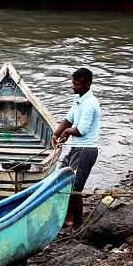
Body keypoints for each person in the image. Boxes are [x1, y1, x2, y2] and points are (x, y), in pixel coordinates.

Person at [50, 68, 100, 229]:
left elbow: (81, 130)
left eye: (77, 84)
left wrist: (65, 132)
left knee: (75, 188)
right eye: (73, 83)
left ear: (88, 84)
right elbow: (68, 120)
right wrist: (56, 134)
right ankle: (66, 217)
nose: (74, 87)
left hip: (86, 150)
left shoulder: (90, 103)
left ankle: (76, 223)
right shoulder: (78, 100)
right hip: (76, 149)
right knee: (61, 180)